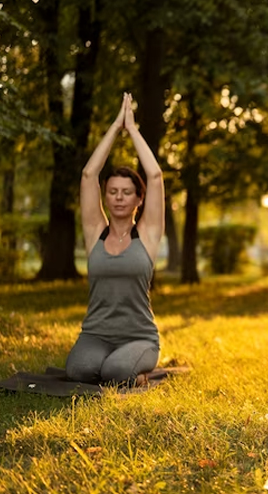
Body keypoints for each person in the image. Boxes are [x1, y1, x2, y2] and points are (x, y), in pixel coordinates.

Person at [65, 93, 165, 386]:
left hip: (139, 337)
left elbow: (156, 175)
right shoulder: (95, 231)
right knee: (78, 371)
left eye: (126, 192)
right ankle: (122, 369)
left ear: (138, 198)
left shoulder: (147, 234)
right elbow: (88, 174)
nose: (119, 197)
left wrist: (132, 129)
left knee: (114, 371)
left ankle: (133, 368)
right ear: (105, 196)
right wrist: (115, 126)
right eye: (112, 191)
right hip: (96, 335)